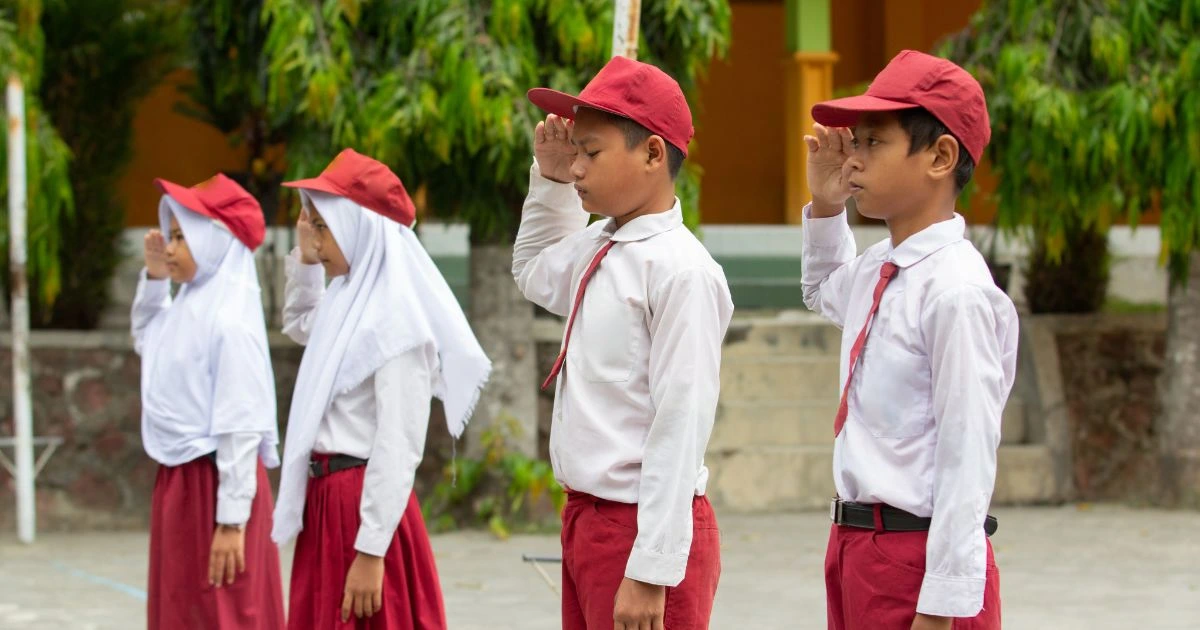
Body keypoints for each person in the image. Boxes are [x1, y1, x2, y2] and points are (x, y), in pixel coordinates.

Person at [513, 56, 734, 629]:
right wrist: (552, 179)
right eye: (576, 154)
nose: (579, 168)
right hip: (588, 520)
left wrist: (651, 569)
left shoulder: (682, 270)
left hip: (643, 529)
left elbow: (680, 423)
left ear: (653, 154)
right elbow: (534, 270)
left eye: (591, 152)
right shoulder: (601, 245)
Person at [802, 50, 1017, 630]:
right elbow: (823, 290)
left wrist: (943, 603)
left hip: (917, 561)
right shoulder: (881, 265)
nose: (854, 161)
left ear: (940, 156)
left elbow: (967, 451)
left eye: (873, 143)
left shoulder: (956, 291)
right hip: (857, 550)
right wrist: (826, 206)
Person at [272, 149, 491, 629]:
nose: (313, 236)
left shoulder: (396, 324)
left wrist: (371, 551)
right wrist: (307, 261)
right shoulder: (344, 300)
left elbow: (398, 445)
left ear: (360, 228)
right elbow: (300, 323)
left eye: (323, 225)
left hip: (363, 509)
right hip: (327, 503)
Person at [132, 173, 285, 629]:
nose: (172, 248)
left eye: (183, 237)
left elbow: (242, 425)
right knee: (181, 607)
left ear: (215, 241)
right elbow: (149, 341)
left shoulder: (230, 321)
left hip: (216, 485)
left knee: (225, 609)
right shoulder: (187, 307)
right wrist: (156, 281)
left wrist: (232, 521)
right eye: (171, 235)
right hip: (180, 486)